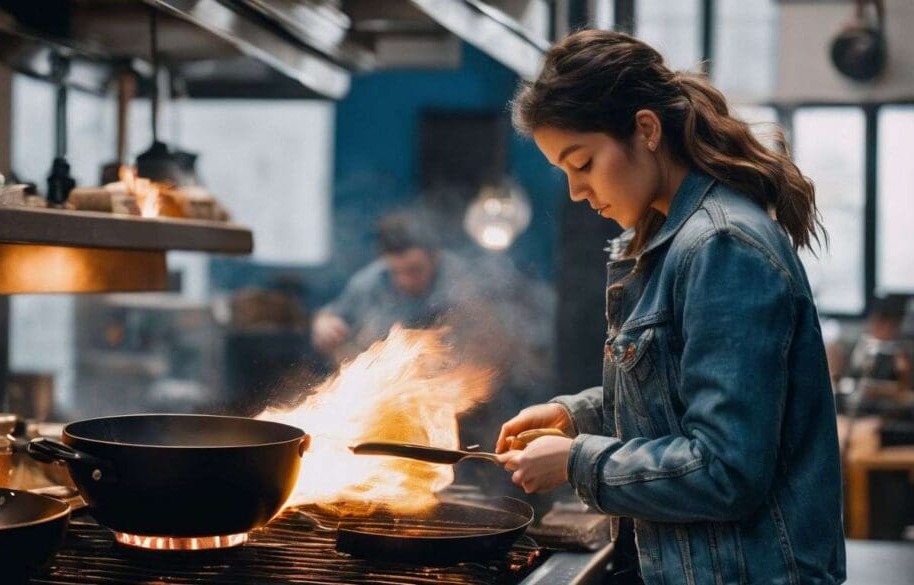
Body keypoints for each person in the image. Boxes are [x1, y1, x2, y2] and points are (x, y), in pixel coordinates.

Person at [494, 30, 845, 585]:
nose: (577, 192)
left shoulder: (721, 247)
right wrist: (578, 415)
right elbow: (678, 396)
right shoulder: (672, 241)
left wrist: (576, 460)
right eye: (565, 173)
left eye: (583, 163)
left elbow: (726, 469)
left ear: (646, 129)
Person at [311, 212, 469, 361]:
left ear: (434, 257)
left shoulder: (462, 277)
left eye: (414, 270)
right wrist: (323, 323)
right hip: (390, 374)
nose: (404, 281)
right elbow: (330, 316)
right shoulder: (369, 284)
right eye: (395, 271)